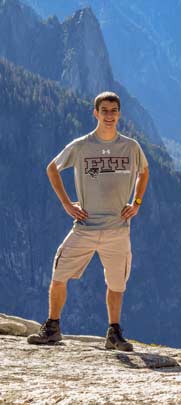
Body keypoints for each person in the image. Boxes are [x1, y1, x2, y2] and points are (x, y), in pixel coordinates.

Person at [27, 91, 149, 352]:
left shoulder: (131, 146)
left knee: (117, 283)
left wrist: (136, 202)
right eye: (104, 110)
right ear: (95, 113)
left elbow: (144, 171)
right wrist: (66, 203)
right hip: (85, 226)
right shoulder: (82, 145)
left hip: (118, 228)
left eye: (113, 110)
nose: (109, 115)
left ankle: (114, 333)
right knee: (59, 274)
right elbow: (52, 168)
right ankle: (52, 327)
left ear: (119, 114)